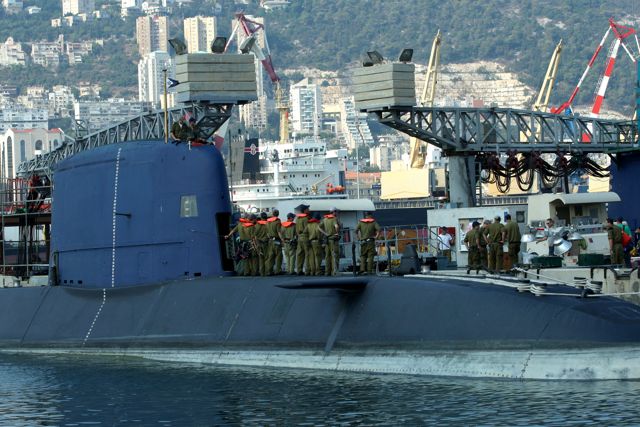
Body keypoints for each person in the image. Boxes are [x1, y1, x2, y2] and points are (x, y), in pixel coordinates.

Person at [320, 207, 341, 276]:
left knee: (327, 256)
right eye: (336, 212)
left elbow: (319, 227)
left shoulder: (325, 219)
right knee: (334, 255)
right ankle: (334, 272)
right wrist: (337, 233)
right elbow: (336, 226)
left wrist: (325, 233)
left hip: (327, 240)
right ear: (334, 212)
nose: (337, 213)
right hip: (333, 240)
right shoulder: (334, 219)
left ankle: (327, 272)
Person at [295, 204, 311, 275]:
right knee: (307, 254)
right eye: (308, 209)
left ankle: (299, 270)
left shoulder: (297, 218)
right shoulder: (306, 218)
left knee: (299, 254)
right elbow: (307, 229)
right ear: (304, 210)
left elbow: (296, 229)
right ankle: (307, 270)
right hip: (305, 237)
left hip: (299, 237)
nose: (309, 210)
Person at [265, 209, 283, 275]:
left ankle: (269, 271)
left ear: (272, 214)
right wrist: (282, 240)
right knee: (278, 256)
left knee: (270, 256)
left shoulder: (267, 222)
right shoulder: (278, 221)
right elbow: (279, 232)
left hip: (270, 241)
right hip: (277, 241)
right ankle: (278, 270)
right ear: (278, 214)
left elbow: (267, 232)